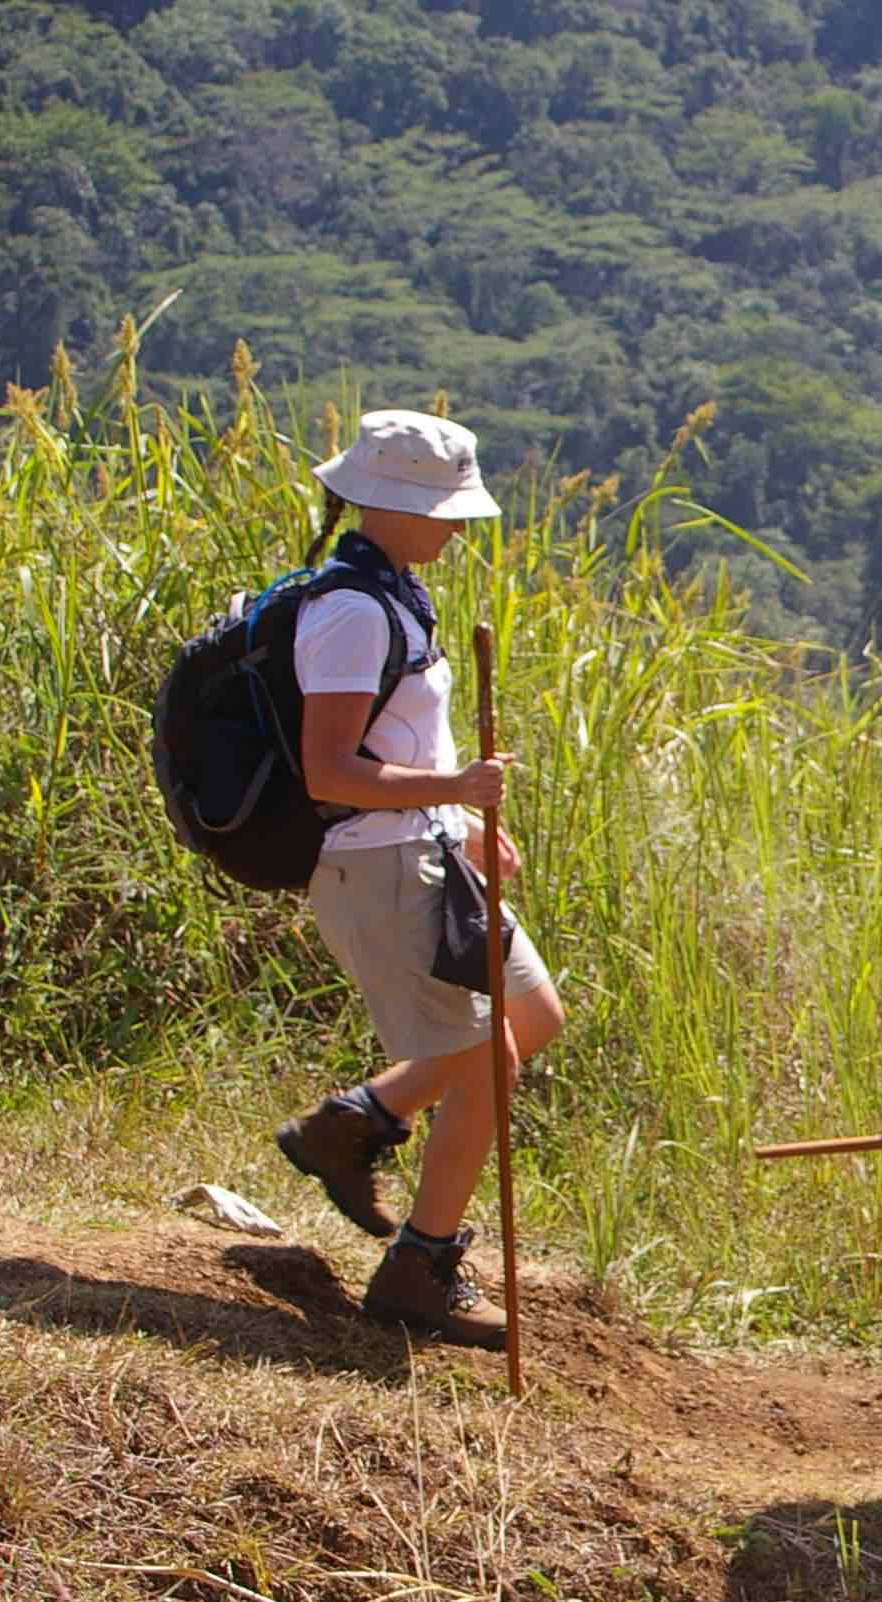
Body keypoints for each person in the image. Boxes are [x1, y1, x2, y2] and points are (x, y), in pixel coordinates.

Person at [269, 408, 564, 1348]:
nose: (456, 527)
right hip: (379, 866)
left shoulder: (396, 593)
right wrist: (457, 789)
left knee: (532, 1017)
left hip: (429, 850)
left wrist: (468, 823)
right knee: (487, 1059)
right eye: (442, 510)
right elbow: (331, 772)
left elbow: (398, 742)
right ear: (388, 505)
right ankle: (419, 1271)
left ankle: (354, 1123)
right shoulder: (352, 612)